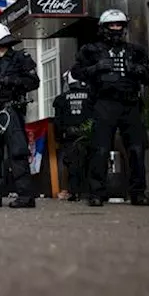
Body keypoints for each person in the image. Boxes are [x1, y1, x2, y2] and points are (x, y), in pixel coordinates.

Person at [73, 9, 149, 207]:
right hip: (104, 103)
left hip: (130, 103)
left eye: (119, 25)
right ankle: (97, 193)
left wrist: (137, 70)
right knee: (100, 149)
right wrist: (96, 68)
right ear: (104, 28)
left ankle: (138, 192)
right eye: (112, 25)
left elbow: (147, 77)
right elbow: (76, 73)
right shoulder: (91, 50)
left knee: (136, 149)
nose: (116, 29)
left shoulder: (135, 51)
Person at [0, 23, 40, 209]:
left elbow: (33, 82)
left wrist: (7, 80)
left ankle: (26, 196)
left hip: (11, 110)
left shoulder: (20, 58)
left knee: (18, 153)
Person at [52, 70, 92, 201]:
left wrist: (57, 137)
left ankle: (74, 192)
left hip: (69, 136)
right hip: (88, 135)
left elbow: (57, 121)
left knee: (72, 164)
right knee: (90, 162)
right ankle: (90, 191)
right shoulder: (91, 96)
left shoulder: (61, 99)